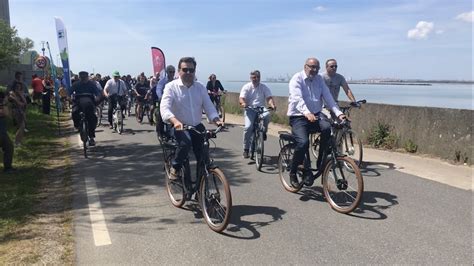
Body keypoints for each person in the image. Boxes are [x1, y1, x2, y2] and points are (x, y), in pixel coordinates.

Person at [160, 57, 224, 180]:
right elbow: (164, 108)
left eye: (191, 70)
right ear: (179, 71)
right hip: (179, 126)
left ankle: (201, 186)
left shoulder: (200, 87)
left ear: (195, 71)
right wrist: (175, 121)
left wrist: (216, 120)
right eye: (185, 70)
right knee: (185, 143)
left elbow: (209, 106)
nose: (188, 72)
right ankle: (176, 167)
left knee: (204, 156)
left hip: (196, 125)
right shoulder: (171, 87)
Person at [287, 57, 346, 187]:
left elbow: (329, 98)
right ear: (305, 66)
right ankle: (293, 171)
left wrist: (339, 113)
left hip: (315, 115)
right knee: (303, 143)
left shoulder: (319, 79)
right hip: (298, 116)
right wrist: (306, 113)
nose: (314, 70)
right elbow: (297, 99)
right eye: (311, 67)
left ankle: (321, 160)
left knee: (327, 128)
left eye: (316, 68)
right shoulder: (297, 79)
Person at [239, 70, 276, 159]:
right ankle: (246, 149)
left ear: (260, 77)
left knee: (267, 115)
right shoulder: (246, 87)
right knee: (248, 127)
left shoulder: (264, 87)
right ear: (251, 78)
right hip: (250, 108)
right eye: (253, 77)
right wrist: (243, 103)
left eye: (257, 77)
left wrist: (272, 104)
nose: (255, 79)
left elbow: (269, 98)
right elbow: (241, 98)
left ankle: (263, 132)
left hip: (261, 108)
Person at [68, 71, 102, 146]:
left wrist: (98, 97)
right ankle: (77, 125)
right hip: (78, 101)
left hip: (89, 101)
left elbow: (97, 93)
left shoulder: (92, 84)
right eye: (82, 77)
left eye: (85, 77)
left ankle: (92, 137)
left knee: (92, 118)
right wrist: (68, 97)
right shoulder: (76, 84)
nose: (83, 79)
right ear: (80, 78)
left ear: (87, 77)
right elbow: (69, 92)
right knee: (74, 112)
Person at [155, 65, 176, 136]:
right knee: (160, 116)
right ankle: (160, 132)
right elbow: (158, 89)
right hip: (164, 101)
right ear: (167, 72)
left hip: (174, 102)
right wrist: (160, 97)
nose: (172, 73)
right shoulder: (162, 81)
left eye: (173, 72)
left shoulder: (175, 81)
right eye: (170, 72)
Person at [0, 90, 15, 173]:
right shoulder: (2, 105)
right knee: (9, 147)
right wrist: (5, 104)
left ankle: (8, 167)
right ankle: (8, 168)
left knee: (9, 146)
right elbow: (6, 114)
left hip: (2, 131)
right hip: (1, 133)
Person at [8, 82, 27, 146]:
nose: (18, 88)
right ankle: (16, 142)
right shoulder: (11, 93)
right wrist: (17, 98)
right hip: (15, 111)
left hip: (21, 111)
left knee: (22, 126)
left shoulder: (20, 93)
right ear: (14, 87)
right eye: (17, 87)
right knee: (21, 126)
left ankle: (19, 141)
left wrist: (21, 95)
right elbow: (19, 103)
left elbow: (25, 103)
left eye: (19, 87)